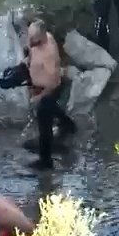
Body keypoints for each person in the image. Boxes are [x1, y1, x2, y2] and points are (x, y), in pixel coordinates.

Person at [23, 20, 76, 170]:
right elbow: (31, 53)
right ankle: (68, 125)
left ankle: (45, 160)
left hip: (49, 89)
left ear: (42, 37)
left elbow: (52, 83)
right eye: (30, 36)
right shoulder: (39, 39)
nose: (30, 41)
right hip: (38, 85)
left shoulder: (49, 53)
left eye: (33, 38)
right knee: (53, 108)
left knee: (44, 118)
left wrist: (39, 97)